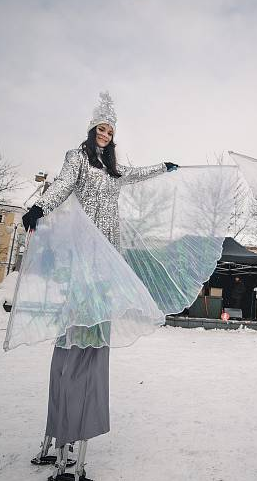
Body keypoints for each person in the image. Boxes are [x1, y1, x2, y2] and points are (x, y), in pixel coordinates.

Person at [20, 91, 178, 481]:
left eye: (110, 131)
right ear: (91, 131)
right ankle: (63, 437)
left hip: (108, 255)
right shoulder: (76, 159)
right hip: (82, 253)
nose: (106, 135)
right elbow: (61, 186)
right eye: (101, 129)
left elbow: (136, 174)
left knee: (94, 336)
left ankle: (70, 431)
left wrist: (165, 166)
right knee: (76, 339)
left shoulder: (113, 169)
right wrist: (40, 207)